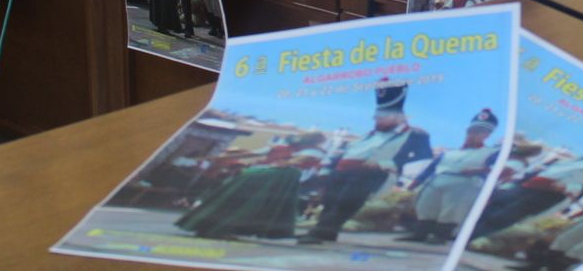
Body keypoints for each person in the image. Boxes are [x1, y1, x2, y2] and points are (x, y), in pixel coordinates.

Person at [299, 80, 433, 244]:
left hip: (368, 173)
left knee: (345, 203)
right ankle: (326, 232)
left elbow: (423, 156)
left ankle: (319, 233)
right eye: (376, 117)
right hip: (342, 171)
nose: (376, 121)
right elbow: (347, 151)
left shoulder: (415, 135)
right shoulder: (368, 134)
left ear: (397, 117)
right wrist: (327, 169)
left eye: (381, 117)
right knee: (329, 202)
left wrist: (384, 164)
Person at [472, 136, 583, 238]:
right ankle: (465, 232)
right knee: (495, 205)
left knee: (506, 216)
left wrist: (574, 187)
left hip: (553, 193)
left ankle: (471, 237)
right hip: (531, 184)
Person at [176, 131, 328, 240]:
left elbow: (250, 154)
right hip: (276, 177)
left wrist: (218, 156)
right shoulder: (315, 151)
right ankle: (223, 231)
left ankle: (207, 228)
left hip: (252, 173)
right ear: (317, 142)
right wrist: (284, 163)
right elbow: (297, 161)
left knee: (231, 202)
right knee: (250, 206)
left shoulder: (279, 147)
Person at [399, 108, 501, 244]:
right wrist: (417, 182)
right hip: (439, 179)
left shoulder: (490, 153)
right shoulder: (450, 153)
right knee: (427, 205)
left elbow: (497, 170)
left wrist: (478, 171)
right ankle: (420, 233)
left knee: (451, 210)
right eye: (472, 131)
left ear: (487, 135)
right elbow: (431, 168)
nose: (473, 134)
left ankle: (440, 237)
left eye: (479, 132)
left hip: (464, 183)